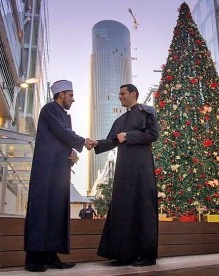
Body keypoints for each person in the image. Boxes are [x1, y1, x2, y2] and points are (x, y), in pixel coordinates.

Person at [87, 84, 160, 267]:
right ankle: (123, 255)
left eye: (122, 94)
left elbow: (153, 134)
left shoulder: (147, 112)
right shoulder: (119, 120)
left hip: (142, 168)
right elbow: (111, 141)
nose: (119, 97)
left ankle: (147, 256)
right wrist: (97, 143)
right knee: (122, 208)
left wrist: (128, 136)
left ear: (133, 94)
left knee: (143, 207)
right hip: (123, 170)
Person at [24, 79, 92, 272]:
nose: (73, 99)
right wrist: (83, 141)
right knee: (42, 209)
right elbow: (61, 133)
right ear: (61, 94)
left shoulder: (62, 114)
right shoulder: (49, 109)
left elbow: (62, 138)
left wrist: (72, 154)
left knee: (56, 211)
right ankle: (33, 259)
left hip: (58, 170)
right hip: (46, 170)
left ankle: (50, 256)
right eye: (70, 95)